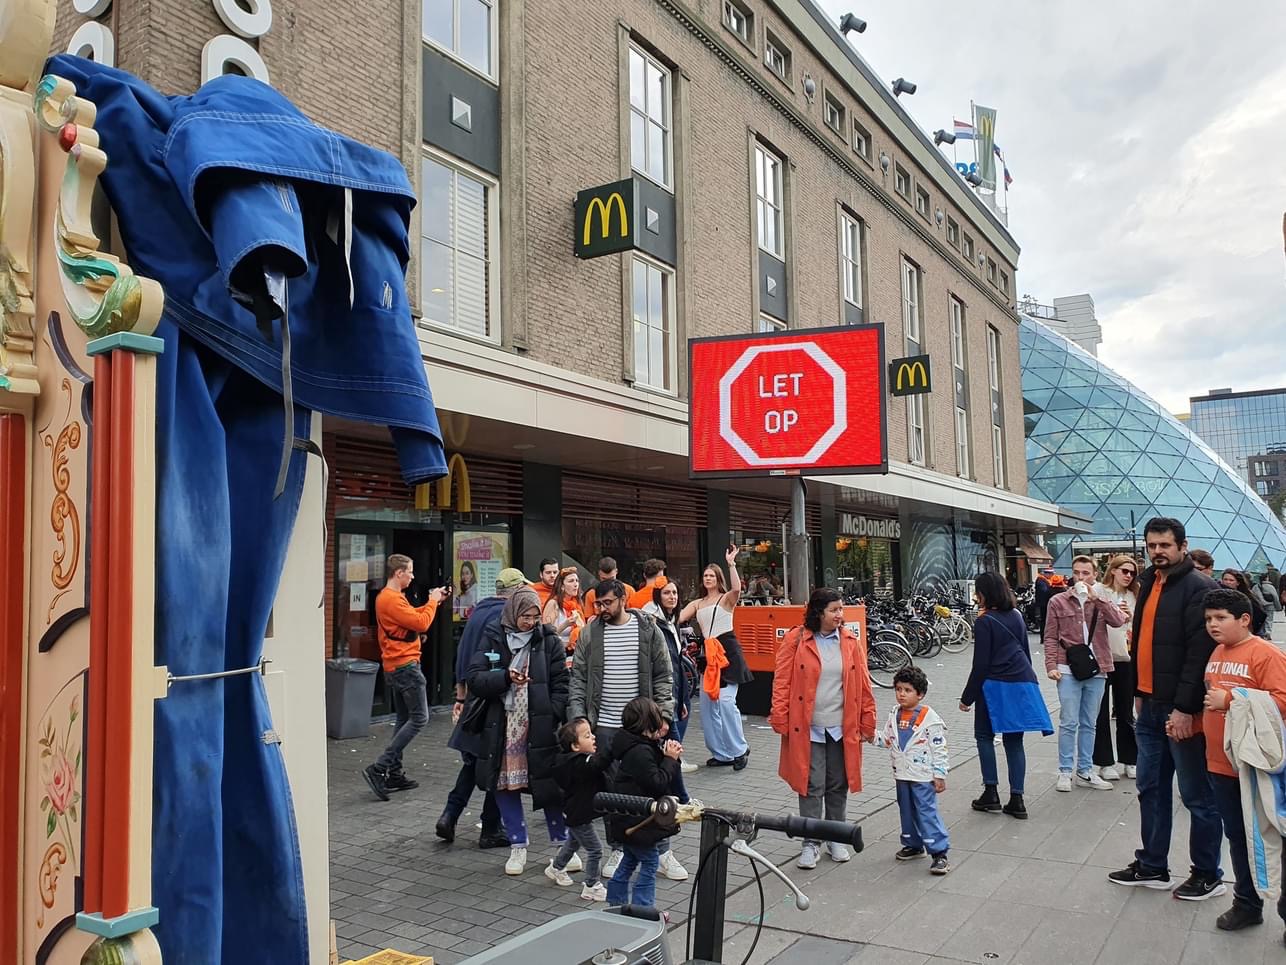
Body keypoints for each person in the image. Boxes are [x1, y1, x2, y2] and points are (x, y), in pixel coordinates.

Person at [1108, 517, 1223, 898]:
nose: (1157, 551)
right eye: (1152, 545)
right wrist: (1140, 694)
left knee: (1196, 795)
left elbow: (1198, 654)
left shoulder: (1199, 587)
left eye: (1164, 545)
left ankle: (1208, 873)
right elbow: (1142, 641)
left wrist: (1185, 708)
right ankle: (1153, 865)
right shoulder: (1148, 584)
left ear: (1182, 546)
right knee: (1150, 788)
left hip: (1180, 710)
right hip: (1150, 705)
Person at [568, 578, 680, 881]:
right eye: (597, 604)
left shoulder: (647, 629)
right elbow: (578, 679)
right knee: (612, 791)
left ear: (622, 600)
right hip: (603, 726)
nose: (602, 609)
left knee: (655, 787)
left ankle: (663, 849)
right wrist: (579, 719)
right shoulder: (590, 633)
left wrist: (663, 716)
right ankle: (619, 846)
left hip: (643, 728)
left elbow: (663, 674)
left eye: (607, 603)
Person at [769, 587, 876, 869]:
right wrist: (779, 715)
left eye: (841, 609)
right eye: (834, 610)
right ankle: (810, 842)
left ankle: (836, 837)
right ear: (819, 613)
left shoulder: (850, 641)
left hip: (842, 727)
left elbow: (864, 685)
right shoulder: (796, 639)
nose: (840, 615)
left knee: (838, 784)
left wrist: (868, 720)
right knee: (810, 784)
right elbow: (781, 681)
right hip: (808, 726)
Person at [466, 588, 570, 876]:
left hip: (539, 725)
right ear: (513, 613)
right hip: (501, 726)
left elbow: (562, 681)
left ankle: (563, 845)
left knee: (548, 786)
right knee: (504, 785)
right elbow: (475, 677)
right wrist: (504, 677)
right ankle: (518, 846)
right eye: (525, 616)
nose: (530, 622)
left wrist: (554, 711)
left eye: (535, 616)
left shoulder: (548, 640)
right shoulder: (494, 635)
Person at [1200, 587, 1286, 932]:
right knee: (1237, 836)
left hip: (1258, 766)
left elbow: (1282, 701)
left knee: (1275, 833)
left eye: (1221, 618)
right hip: (1221, 764)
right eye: (1208, 619)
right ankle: (1247, 903)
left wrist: (1233, 699)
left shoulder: (1266, 653)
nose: (1213, 625)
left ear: (1244, 619)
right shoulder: (1218, 651)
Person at [437, 568, 530, 848]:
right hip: (496, 699)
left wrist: (461, 694)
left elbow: (463, 654)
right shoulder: (502, 617)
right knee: (496, 763)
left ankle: (450, 815)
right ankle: (490, 827)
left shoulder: (479, 611)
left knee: (474, 762)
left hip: (475, 699)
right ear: (514, 592)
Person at [960, 571, 1052, 821]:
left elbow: (981, 664)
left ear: (984, 593)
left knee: (984, 736)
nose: (975, 596)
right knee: (1014, 741)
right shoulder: (1016, 616)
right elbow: (1025, 651)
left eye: (977, 591)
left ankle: (991, 793)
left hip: (994, 685)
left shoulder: (985, 621)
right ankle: (1017, 799)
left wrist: (967, 697)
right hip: (1021, 681)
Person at [362, 554, 449, 801]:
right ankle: (380, 767)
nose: (412, 576)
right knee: (420, 718)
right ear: (398, 573)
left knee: (403, 719)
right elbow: (421, 623)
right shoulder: (391, 599)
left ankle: (394, 772)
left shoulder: (390, 598)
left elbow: (411, 618)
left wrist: (435, 602)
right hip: (405, 667)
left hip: (395, 666)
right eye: (409, 572)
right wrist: (432, 601)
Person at [1043, 554, 1128, 791]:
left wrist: (1098, 599)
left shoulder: (1101, 599)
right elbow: (1050, 635)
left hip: (1098, 665)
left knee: (1089, 722)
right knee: (1069, 721)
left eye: (1086, 573)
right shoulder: (1058, 601)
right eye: (1077, 572)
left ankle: (1085, 770)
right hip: (1067, 666)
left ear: (1095, 575)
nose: (1080, 577)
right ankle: (1064, 771)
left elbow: (1119, 621)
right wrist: (1051, 665)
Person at [605, 697, 683, 909]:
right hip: (637, 820)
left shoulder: (636, 745)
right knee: (649, 863)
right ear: (648, 723)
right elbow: (657, 783)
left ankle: (616, 902)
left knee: (629, 860)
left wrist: (669, 757)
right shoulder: (640, 751)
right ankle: (643, 908)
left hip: (630, 819)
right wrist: (669, 760)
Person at [680, 546, 753, 770]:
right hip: (707, 656)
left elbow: (737, 588)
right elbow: (678, 617)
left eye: (712, 575)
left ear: (718, 578)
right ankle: (721, 753)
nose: (708, 578)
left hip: (727, 652)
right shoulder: (697, 603)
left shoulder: (726, 599)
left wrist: (731, 563)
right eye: (705, 576)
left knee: (726, 701)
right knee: (708, 705)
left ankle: (739, 750)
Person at [876, 666, 950, 876]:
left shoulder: (930, 719)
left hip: (923, 776)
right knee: (906, 810)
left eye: (907, 690)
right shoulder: (894, 715)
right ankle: (913, 844)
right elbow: (887, 739)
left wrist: (940, 774)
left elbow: (939, 748)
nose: (901, 694)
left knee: (926, 812)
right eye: (898, 689)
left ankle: (939, 852)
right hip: (902, 775)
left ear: (920, 694)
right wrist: (868, 735)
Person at [548, 718, 612, 902]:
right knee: (595, 849)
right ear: (575, 746)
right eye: (587, 736)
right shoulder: (580, 763)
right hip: (579, 814)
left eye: (592, 733)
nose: (593, 738)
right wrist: (612, 748)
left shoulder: (572, 761)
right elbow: (598, 764)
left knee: (574, 842)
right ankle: (591, 885)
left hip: (576, 812)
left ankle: (556, 867)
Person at [1092, 555, 1140, 781]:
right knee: (1100, 712)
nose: (1128, 576)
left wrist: (1131, 618)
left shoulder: (1134, 595)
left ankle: (1130, 759)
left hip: (1126, 657)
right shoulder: (1099, 590)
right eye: (1124, 571)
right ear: (1113, 570)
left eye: (1132, 573)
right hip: (1102, 656)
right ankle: (1104, 762)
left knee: (1125, 711)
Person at [644, 582, 696, 780]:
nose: (672, 596)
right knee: (671, 741)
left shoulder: (671, 620)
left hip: (675, 685)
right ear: (658, 595)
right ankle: (681, 795)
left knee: (671, 740)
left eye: (675, 592)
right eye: (667, 593)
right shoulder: (653, 621)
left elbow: (675, 659)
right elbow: (663, 664)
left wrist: (681, 696)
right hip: (663, 689)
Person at [542, 566, 586, 657]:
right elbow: (546, 635)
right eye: (571, 581)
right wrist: (565, 624)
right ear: (562, 586)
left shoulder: (577, 605)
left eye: (577, 581)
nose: (575, 584)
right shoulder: (553, 604)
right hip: (558, 653)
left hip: (578, 653)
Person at [1222, 569, 1268, 637]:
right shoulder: (1219, 594)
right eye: (1225, 579)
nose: (1227, 582)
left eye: (1231, 580)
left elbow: (1260, 613)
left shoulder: (1245, 597)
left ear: (1238, 583)